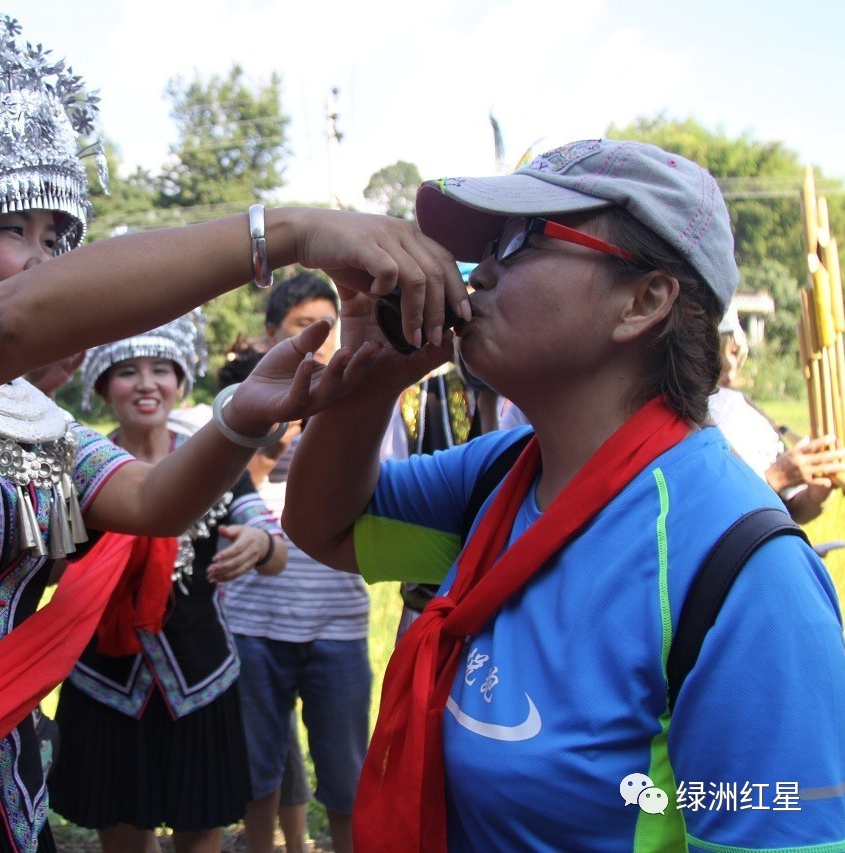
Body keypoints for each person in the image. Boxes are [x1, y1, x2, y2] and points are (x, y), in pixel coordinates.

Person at [0, 8, 462, 852]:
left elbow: (154, 499)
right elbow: (15, 320)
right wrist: (289, 231)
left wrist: (241, 416)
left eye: (57, 238)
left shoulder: (28, 413)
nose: (38, 260)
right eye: (12, 227)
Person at [283, 139, 845, 850]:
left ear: (644, 301)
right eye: (483, 246)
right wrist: (372, 369)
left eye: (519, 241)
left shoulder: (743, 572)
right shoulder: (499, 474)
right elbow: (323, 525)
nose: (476, 271)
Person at [51, 314, 286, 852]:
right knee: (122, 827)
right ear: (104, 386)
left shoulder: (211, 458)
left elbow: (274, 548)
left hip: (200, 673)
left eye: (161, 369)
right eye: (127, 371)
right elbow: (49, 562)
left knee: (201, 826)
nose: (146, 384)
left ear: (181, 383)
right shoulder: (79, 466)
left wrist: (261, 544)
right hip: (105, 676)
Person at [223, 273, 370, 853]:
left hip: (339, 620)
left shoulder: (365, 411)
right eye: (303, 329)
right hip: (254, 622)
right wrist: (277, 434)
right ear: (268, 337)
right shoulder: (241, 409)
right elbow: (227, 491)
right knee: (257, 773)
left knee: (347, 777)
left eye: (329, 329)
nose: (321, 342)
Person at [709, 305, 844, 523]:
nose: (729, 364)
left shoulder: (741, 406)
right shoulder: (686, 421)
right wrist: (774, 478)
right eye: (714, 351)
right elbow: (713, 516)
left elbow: (793, 510)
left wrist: (814, 495)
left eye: (732, 350)